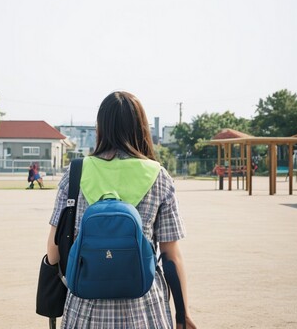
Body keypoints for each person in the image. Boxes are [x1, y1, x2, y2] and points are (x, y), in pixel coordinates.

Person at [46, 91, 197, 329]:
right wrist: (182, 315)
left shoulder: (75, 174)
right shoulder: (158, 176)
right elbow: (171, 256)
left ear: (100, 127)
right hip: (145, 308)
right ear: (140, 128)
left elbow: (54, 251)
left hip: (85, 308)